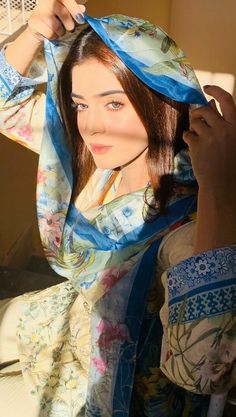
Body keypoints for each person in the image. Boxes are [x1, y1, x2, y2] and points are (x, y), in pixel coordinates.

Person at [0, 1, 235, 416]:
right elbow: (7, 105)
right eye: (79, 104)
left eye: (113, 104)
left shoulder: (186, 224)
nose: (89, 126)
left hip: (122, 394)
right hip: (62, 328)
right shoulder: (89, 163)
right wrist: (33, 33)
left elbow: (202, 369)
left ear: (160, 98)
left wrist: (221, 188)